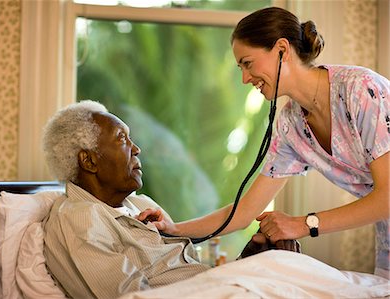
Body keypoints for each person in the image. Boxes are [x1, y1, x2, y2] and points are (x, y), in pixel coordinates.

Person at [137, 6, 389, 278]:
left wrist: (304, 224)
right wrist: (175, 230)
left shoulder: (361, 90)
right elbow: (245, 211)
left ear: (282, 49)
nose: (245, 78)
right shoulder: (291, 124)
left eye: (248, 63)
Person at [41, 100, 297, 299]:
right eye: (121, 138)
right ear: (89, 160)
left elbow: (188, 275)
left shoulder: (141, 205)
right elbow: (132, 297)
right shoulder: (79, 218)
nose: (136, 148)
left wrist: (249, 261)